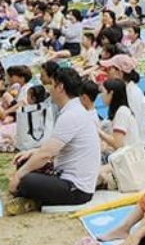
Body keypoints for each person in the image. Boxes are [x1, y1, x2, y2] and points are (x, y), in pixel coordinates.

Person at [8, 62, 101, 211]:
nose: (49, 89)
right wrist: (32, 153)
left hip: (76, 188)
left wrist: (18, 176)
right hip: (65, 175)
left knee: (26, 180)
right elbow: (53, 146)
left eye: (51, 84)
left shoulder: (72, 114)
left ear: (60, 87)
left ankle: (31, 198)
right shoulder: (73, 109)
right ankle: (33, 197)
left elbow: (46, 154)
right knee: (25, 161)